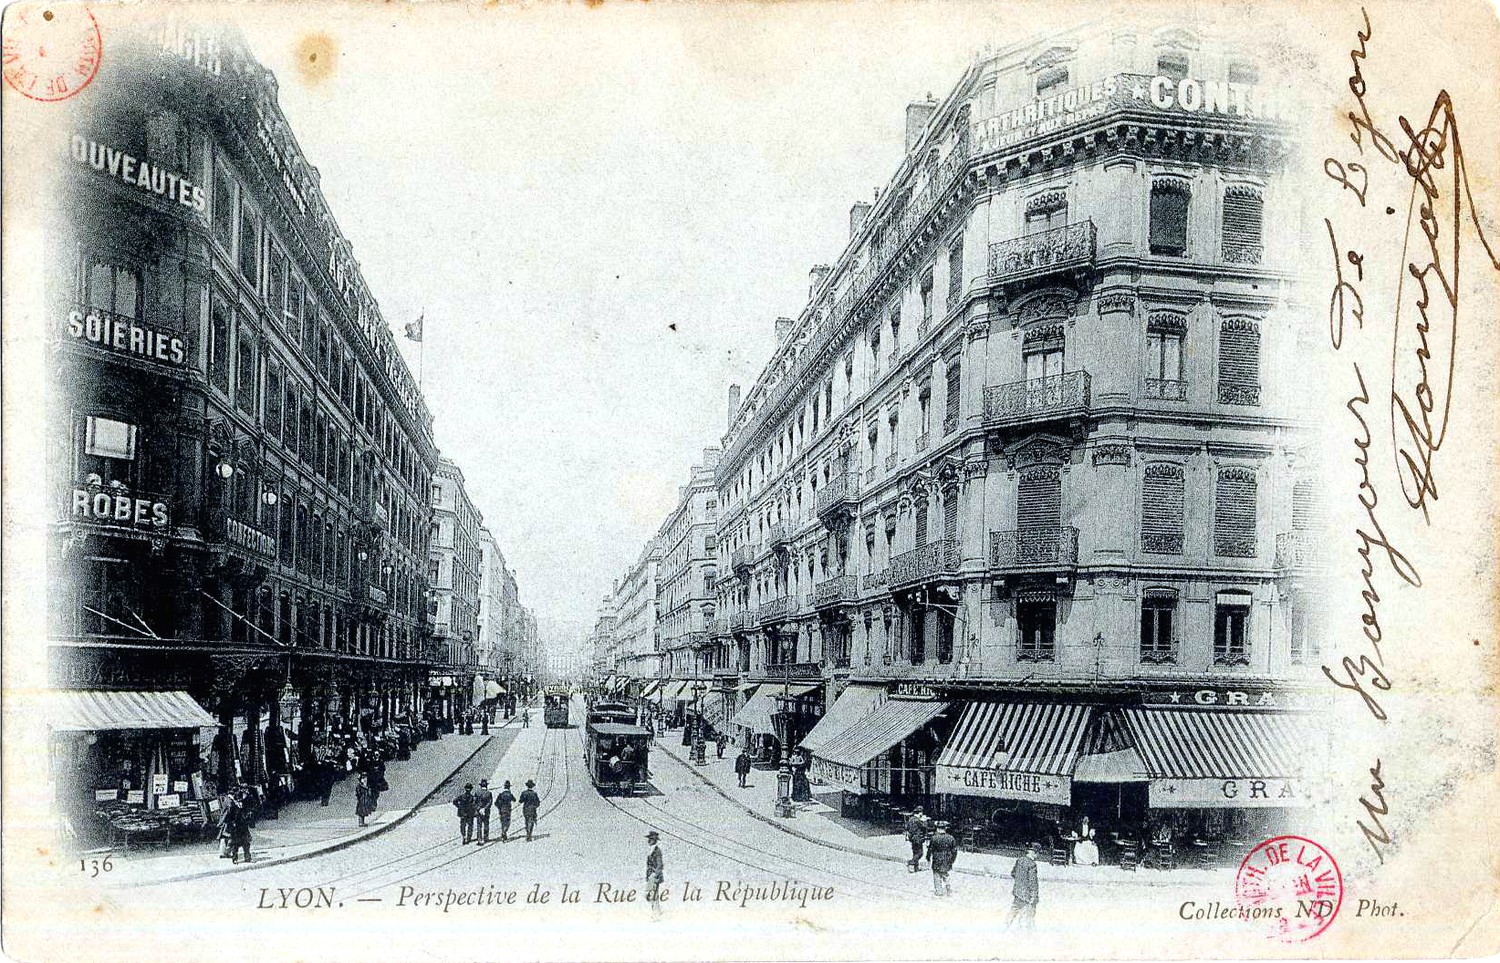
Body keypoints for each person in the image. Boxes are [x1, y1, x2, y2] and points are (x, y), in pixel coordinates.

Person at [1007, 842, 1041, 931]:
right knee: (1026, 916)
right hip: (1027, 896)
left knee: (1013, 911)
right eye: (1038, 853)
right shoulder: (1032, 865)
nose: (1038, 856)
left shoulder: (1020, 860)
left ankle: (1003, 927)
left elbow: (1013, 873)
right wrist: (1034, 896)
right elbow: (1033, 882)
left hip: (1017, 892)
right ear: (1034, 853)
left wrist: (1020, 881)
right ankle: (1023, 935)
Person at [928, 820, 957, 897]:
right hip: (947, 859)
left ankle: (939, 891)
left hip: (937, 859)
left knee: (937, 875)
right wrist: (952, 860)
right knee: (945, 874)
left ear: (937, 828)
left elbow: (930, 850)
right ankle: (948, 887)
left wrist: (928, 858)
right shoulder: (951, 838)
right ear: (945, 828)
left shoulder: (934, 838)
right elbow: (954, 851)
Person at [644, 830, 665, 920]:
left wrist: (656, 875)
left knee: (651, 894)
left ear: (654, 840)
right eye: (649, 839)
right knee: (653, 894)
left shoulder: (657, 851)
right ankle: (656, 912)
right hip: (650, 875)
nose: (649, 841)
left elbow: (660, 864)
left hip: (654, 875)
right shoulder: (651, 850)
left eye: (650, 839)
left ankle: (656, 913)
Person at [905, 807, 932, 872]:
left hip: (912, 838)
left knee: (915, 852)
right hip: (918, 838)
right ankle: (910, 862)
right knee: (920, 853)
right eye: (921, 812)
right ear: (919, 813)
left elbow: (907, 828)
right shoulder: (917, 820)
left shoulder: (910, 819)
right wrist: (925, 821)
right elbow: (924, 827)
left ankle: (916, 868)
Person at [472, 779, 494, 844]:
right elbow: (490, 802)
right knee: (486, 824)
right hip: (486, 811)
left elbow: (474, 803)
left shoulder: (477, 793)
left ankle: (479, 839)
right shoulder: (489, 793)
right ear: (486, 786)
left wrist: (479, 809)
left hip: (479, 812)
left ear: (480, 786)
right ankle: (486, 837)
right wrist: (484, 808)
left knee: (479, 825)